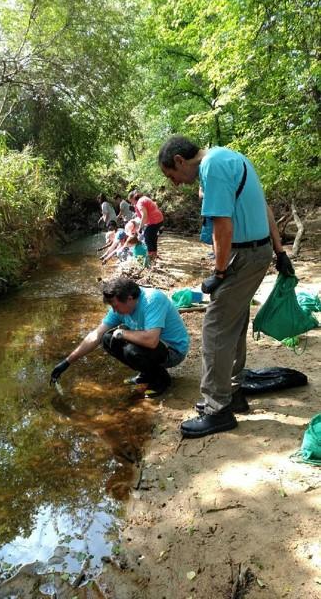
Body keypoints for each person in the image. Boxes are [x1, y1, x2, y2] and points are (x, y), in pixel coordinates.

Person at [158, 135, 294, 439]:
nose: (177, 184)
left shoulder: (213, 167)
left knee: (215, 329)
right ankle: (231, 393)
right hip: (255, 252)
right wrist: (279, 250)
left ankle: (217, 409)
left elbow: (223, 225)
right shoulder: (230, 156)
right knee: (232, 323)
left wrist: (219, 273)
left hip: (243, 255)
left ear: (180, 161)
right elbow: (265, 207)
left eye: (172, 176)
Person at [50, 277, 189, 397]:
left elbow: (151, 341)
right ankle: (147, 373)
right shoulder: (120, 307)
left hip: (173, 351)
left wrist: (123, 333)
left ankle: (161, 380)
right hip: (154, 347)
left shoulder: (152, 300)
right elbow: (96, 335)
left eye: (115, 306)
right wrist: (67, 362)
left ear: (129, 298)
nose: (114, 310)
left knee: (130, 350)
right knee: (107, 339)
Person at [128, 191, 164, 261]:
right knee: (153, 238)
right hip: (159, 219)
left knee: (147, 237)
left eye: (131, 201)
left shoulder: (139, 203)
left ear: (133, 198)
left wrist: (140, 228)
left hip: (155, 221)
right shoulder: (144, 198)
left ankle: (150, 256)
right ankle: (154, 255)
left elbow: (144, 216)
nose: (131, 203)